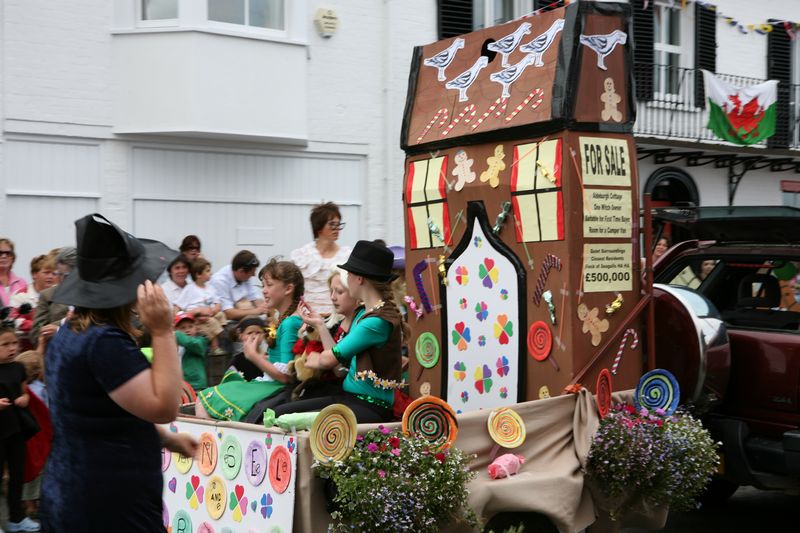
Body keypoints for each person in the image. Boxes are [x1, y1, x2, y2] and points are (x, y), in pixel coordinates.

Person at [40, 213, 197, 531]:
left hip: (70, 491)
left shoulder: (68, 332)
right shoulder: (104, 342)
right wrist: (164, 331)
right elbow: (165, 406)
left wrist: (165, 439)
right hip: (107, 505)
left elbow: (97, 414)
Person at [272, 240, 406, 424]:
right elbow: (340, 368)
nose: (346, 277)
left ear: (359, 279)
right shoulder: (365, 314)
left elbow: (330, 359)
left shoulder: (376, 321)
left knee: (285, 419)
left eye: (349, 273)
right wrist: (320, 325)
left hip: (368, 407)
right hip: (351, 400)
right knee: (279, 412)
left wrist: (315, 359)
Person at [196, 259, 303, 421]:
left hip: (276, 387)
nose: (264, 291)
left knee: (204, 398)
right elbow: (281, 361)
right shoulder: (282, 319)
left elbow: (286, 376)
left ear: (288, 288)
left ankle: (211, 445)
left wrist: (253, 356)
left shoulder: (290, 322)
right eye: (263, 286)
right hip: (272, 383)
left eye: (269, 285)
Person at [0, 325, 40, 532]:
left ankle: (16, 519)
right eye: (5, 344)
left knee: (17, 477)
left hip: (16, 431)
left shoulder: (18, 368)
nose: (12, 348)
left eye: (14, 342)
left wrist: (24, 398)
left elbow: (23, 391)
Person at [290, 202, 352, 315]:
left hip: (338, 318)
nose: (337, 228)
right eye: (332, 224)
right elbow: (292, 290)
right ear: (319, 227)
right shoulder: (303, 255)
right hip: (306, 319)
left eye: (339, 225)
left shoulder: (346, 256)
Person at [29, 247, 77, 351]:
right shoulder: (47, 295)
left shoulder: (90, 295)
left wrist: (61, 328)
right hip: (55, 355)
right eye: (58, 274)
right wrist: (61, 325)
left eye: (66, 275)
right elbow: (35, 334)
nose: (60, 278)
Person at [174, 258, 225, 354]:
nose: (211, 273)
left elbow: (218, 304)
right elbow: (178, 305)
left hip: (209, 315)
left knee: (221, 315)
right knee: (212, 322)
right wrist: (176, 319)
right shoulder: (190, 289)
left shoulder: (211, 288)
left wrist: (213, 311)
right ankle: (215, 346)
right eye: (207, 271)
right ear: (198, 274)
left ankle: (215, 335)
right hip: (196, 318)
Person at [209, 250, 268, 322]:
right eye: (252, 273)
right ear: (241, 271)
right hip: (224, 322)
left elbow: (256, 298)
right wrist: (256, 311)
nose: (254, 275)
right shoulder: (219, 281)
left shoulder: (244, 274)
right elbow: (228, 314)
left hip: (241, 319)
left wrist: (265, 309)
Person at [223, 316, 269, 383]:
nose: (254, 337)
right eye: (249, 333)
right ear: (241, 335)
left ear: (264, 334)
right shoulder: (238, 360)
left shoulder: (269, 357)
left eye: (258, 333)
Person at [174, 312, 208, 392]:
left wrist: (177, 334)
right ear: (176, 329)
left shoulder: (201, 341)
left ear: (196, 328)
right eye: (182, 328)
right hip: (178, 387)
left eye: (190, 326)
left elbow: (194, 344)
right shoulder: (172, 345)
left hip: (196, 386)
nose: (187, 330)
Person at [1, 238, 28, 308]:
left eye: (8, 253)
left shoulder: (22, 283)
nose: (4, 256)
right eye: (0, 253)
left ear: (13, 257)